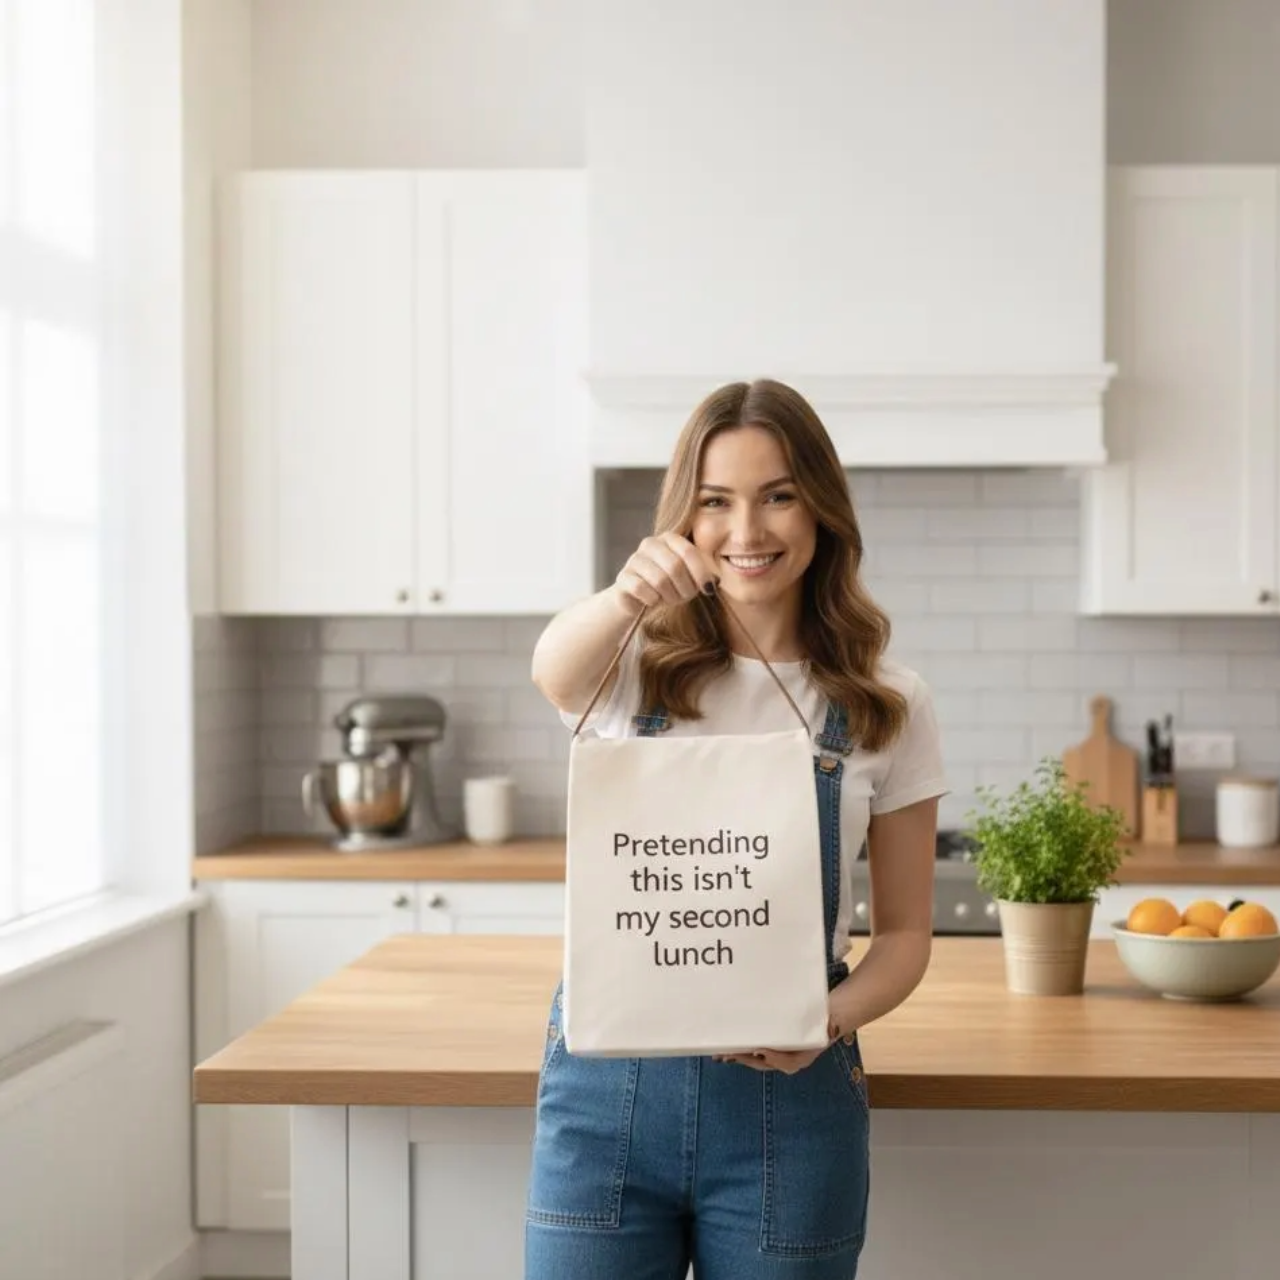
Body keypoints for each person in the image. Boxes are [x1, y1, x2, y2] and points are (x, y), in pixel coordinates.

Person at [525, 378, 947, 1280]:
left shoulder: (885, 703)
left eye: (778, 496)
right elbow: (552, 672)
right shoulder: (630, 669)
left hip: (791, 1111)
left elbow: (907, 938)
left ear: (821, 509)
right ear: (685, 518)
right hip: (605, 1105)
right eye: (716, 501)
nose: (747, 532)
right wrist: (625, 595)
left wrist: (828, 1020)